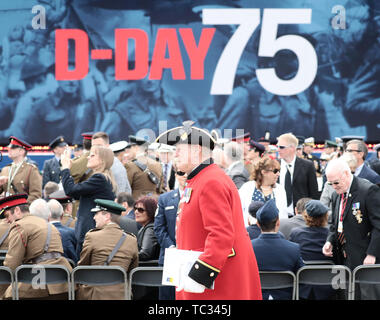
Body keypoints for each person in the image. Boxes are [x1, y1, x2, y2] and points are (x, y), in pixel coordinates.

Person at [156, 120, 262, 300]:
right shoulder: (201, 179)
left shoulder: (210, 181)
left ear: (197, 150)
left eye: (179, 150)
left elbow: (221, 234)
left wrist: (201, 273)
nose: (175, 155)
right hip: (203, 279)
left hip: (214, 283)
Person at [0, 194, 72, 299]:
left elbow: (12, 263)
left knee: (8, 296)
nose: (8, 220)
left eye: (7, 216)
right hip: (63, 281)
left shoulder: (19, 226)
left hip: (38, 281)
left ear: (17, 210)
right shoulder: (47, 224)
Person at [322, 158, 380, 270]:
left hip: (363, 255)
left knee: (362, 287)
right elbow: (335, 224)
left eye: (336, 182)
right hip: (341, 255)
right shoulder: (336, 195)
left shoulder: (368, 190)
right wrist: (329, 241)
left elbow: (378, 225)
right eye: (330, 183)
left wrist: (372, 253)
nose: (334, 186)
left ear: (346, 174)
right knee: (343, 287)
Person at [60, 145, 116, 258]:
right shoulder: (102, 178)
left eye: (92, 155)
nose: (88, 157)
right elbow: (76, 194)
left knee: (82, 270)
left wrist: (65, 168)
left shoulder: (99, 178)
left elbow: (70, 190)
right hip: (92, 231)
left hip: (89, 231)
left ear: (102, 160)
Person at [77, 199, 139, 300]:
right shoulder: (131, 240)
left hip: (96, 294)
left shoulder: (92, 236)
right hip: (122, 295)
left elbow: (82, 268)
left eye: (97, 214)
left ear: (107, 216)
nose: (94, 217)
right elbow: (132, 271)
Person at [251, 199, 304, 300]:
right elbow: (303, 275)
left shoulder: (249, 248)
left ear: (258, 224)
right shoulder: (293, 249)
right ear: (278, 223)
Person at [154, 171, 187, 300]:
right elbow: (158, 227)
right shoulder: (165, 199)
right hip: (170, 256)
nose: (184, 176)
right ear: (176, 175)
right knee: (167, 296)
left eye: (187, 173)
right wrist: (171, 246)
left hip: (190, 254)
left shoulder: (200, 196)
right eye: (180, 173)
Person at [276, 133, 319, 218]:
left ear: (292, 148)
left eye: (281, 147)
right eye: (277, 146)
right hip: (279, 216)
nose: (278, 150)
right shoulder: (275, 165)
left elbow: (314, 193)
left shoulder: (307, 166)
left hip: (301, 216)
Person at [239, 156, 288, 227]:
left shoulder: (280, 189)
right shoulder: (246, 188)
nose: (278, 174)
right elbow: (239, 212)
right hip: (250, 233)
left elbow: (283, 215)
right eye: (275, 171)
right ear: (264, 172)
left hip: (272, 233)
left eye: (279, 171)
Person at [0, 136, 42, 203]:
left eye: (13, 148)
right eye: (9, 147)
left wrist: (20, 205)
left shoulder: (31, 169)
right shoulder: (5, 169)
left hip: (23, 209)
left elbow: (36, 195)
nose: (9, 149)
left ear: (21, 151)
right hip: (7, 209)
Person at [125, 135, 163, 200]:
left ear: (136, 148)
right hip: (153, 202)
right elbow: (160, 188)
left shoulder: (130, 165)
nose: (128, 151)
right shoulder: (157, 164)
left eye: (130, 148)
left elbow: (126, 188)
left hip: (136, 204)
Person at [47, 199, 78, 263]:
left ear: (48, 216)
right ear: (62, 216)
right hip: (68, 269)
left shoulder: (39, 233)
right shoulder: (73, 232)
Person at [134, 196, 160, 262]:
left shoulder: (150, 229)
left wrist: (127, 256)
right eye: (135, 208)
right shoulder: (145, 227)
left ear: (150, 212)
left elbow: (145, 254)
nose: (136, 212)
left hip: (147, 269)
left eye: (141, 210)